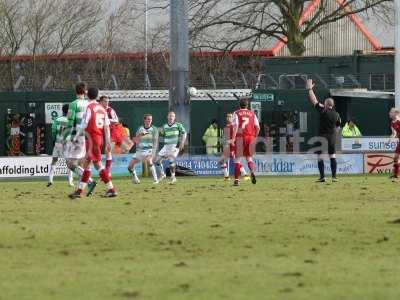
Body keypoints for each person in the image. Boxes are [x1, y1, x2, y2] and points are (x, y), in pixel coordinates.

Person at [69, 87, 117, 199]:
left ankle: (111, 189)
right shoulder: (102, 108)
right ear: (97, 96)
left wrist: (75, 136)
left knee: (96, 165)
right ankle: (80, 191)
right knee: (89, 164)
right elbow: (106, 127)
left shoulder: (89, 107)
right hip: (99, 139)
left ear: (87, 95)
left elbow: (84, 124)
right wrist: (108, 140)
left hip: (91, 139)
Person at [306, 79, 341, 183]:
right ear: (332, 105)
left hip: (322, 137)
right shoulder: (337, 114)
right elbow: (338, 127)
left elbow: (314, 101)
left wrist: (310, 89)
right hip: (332, 137)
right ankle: (334, 177)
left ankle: (322, 177)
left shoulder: (323, 110)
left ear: (325, 104)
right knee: (332, 156)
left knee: (320, 157)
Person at [63, 82, 95, 193]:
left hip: (76, 136)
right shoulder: (89, 104)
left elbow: (70, 122)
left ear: (76, 91)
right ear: (85, 92)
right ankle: (81, 186)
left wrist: (67, 136)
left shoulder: (73, 104)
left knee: (69, 163)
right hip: (86, 136)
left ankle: (90, 180)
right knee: (80, 163)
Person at [231, 98, 260, 186]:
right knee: (249, 158)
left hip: (240, 137)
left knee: (237, 160)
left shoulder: (236, 113)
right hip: (250, 137)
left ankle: (236, 180)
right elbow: (258, 127)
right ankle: (252, 172)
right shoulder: (252, 114)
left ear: (239, 105)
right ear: (247, 105)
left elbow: (235, 126)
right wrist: (255, 136)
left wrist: (233, 138)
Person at [155, 111, 187, 184]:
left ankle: (173, 177)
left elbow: (184, 133)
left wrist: (182, 143)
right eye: (170, 116)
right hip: (166, 146)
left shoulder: (178, 125)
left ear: (174, 117)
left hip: (174, 146)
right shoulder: (165, 126)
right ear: (167, 117)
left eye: (172, 116)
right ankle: (163, 174)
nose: (171, 117)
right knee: (157, 161)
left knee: (171, 160)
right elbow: (162, 134)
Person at [47, 104, 74, 187]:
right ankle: (70, 181)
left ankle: (50, 180)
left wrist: (54, 139)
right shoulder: (70, 121)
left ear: (62, 111)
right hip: (66, 143)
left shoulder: (57, 119)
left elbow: (53, 130)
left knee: (54, 160)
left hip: (58, 142)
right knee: (69, 162)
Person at [128, 114, 159, 184]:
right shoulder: (140, 128)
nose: (149, 120)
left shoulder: (154, 129)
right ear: (144, 120)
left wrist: (153, 152)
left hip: (149, 150)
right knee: (129, 167)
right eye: (148, 119)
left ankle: (156, 180)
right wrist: (140, 135)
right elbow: (135, 139)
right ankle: (136, 179)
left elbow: (155, 141)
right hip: (140, 151)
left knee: (149, 161)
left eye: (150, 119)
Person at [219, 112, 249, 181]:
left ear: (233, 118)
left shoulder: (234, 126)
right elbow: (226, 138)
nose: (228, 118)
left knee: (236, 161)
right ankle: (226, 177)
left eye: (230, 116)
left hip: (233, 147)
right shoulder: (226, 126)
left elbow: (237, 137)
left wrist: (230, 141)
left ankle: (246, 175)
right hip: (228, 147)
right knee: (222, 161)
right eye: (227, 116)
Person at [388, 108, 400, 180]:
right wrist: (389, 140)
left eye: (391, 112)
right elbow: (394, 133)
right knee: (395, 158)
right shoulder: (392, 122)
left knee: (397, 158)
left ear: (395, 113)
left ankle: (396, 174)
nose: (389, 114)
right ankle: (396, 175)